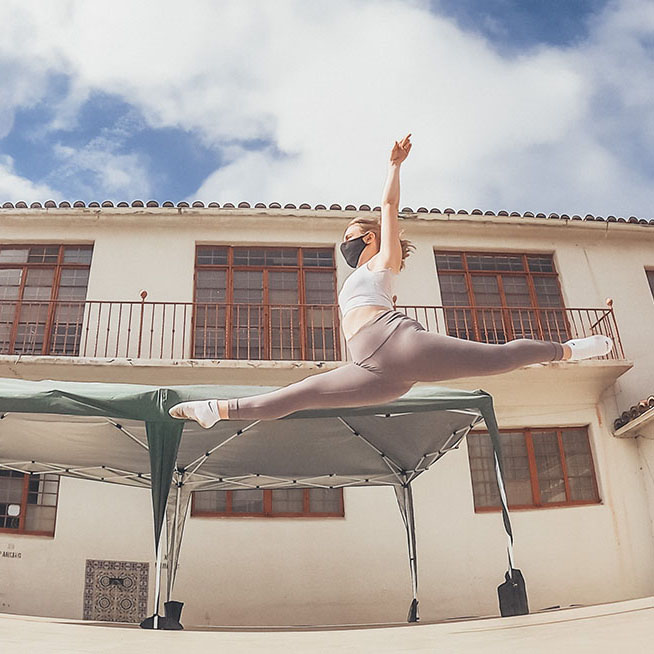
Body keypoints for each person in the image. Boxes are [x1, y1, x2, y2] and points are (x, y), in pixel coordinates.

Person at [169, 133, 612, 428]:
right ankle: (218, 410)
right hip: (374, 371)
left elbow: (387, 206)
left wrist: (393, 165)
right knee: (295, 397)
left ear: (368, 237)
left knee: (498, 359)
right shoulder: (360, 274)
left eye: (347, 237)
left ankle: (569, 350)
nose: (342, 245)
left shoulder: (384, 257)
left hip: (396, 342)